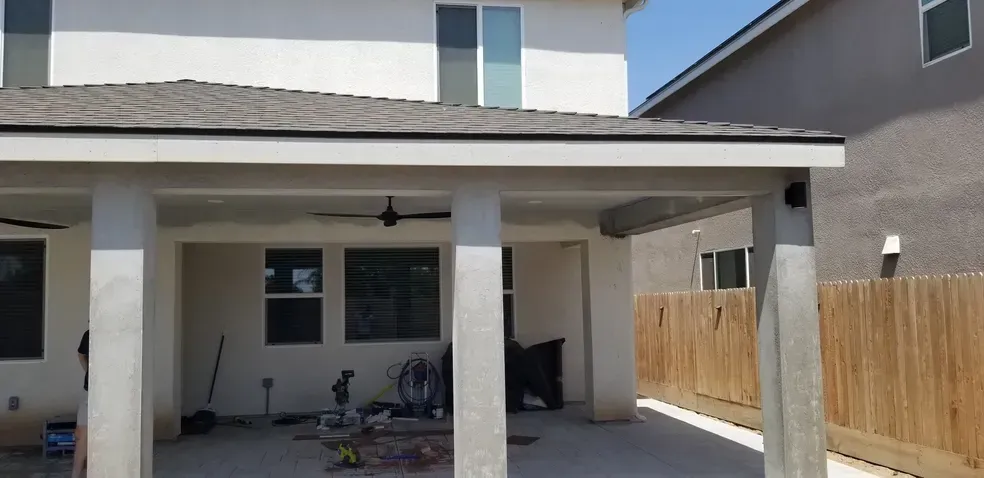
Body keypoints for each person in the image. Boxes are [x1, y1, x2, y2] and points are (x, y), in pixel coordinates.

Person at [72, 330, 89, 478]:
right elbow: (81, 355)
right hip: (90, 391)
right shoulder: (89, 334)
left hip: (114, 394)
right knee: (82, 434)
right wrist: (89, 372)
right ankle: (76, 474)